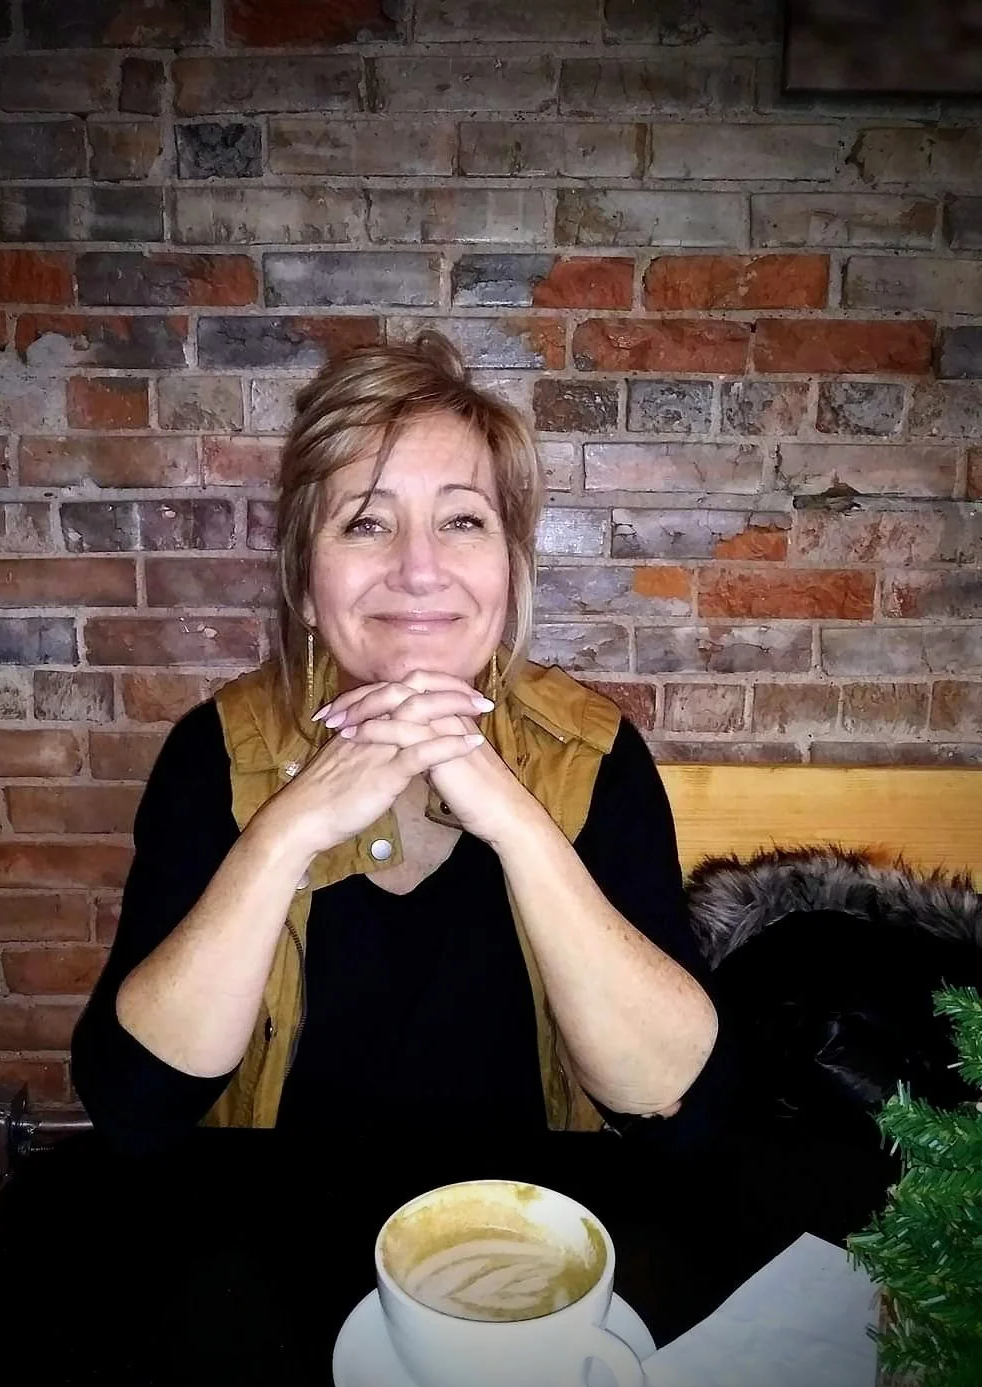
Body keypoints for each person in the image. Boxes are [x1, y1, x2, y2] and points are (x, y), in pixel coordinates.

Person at [71, 333, 722, 1154]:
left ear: (510, 569)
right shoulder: (218, 753)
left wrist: (517, 824)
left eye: (462, 520)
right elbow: (134, 1109)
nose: (419, 570)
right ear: (307, 585)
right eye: (367, 523)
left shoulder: (591, 753)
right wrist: (286, 830)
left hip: (527, 1217)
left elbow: (673, 1107)